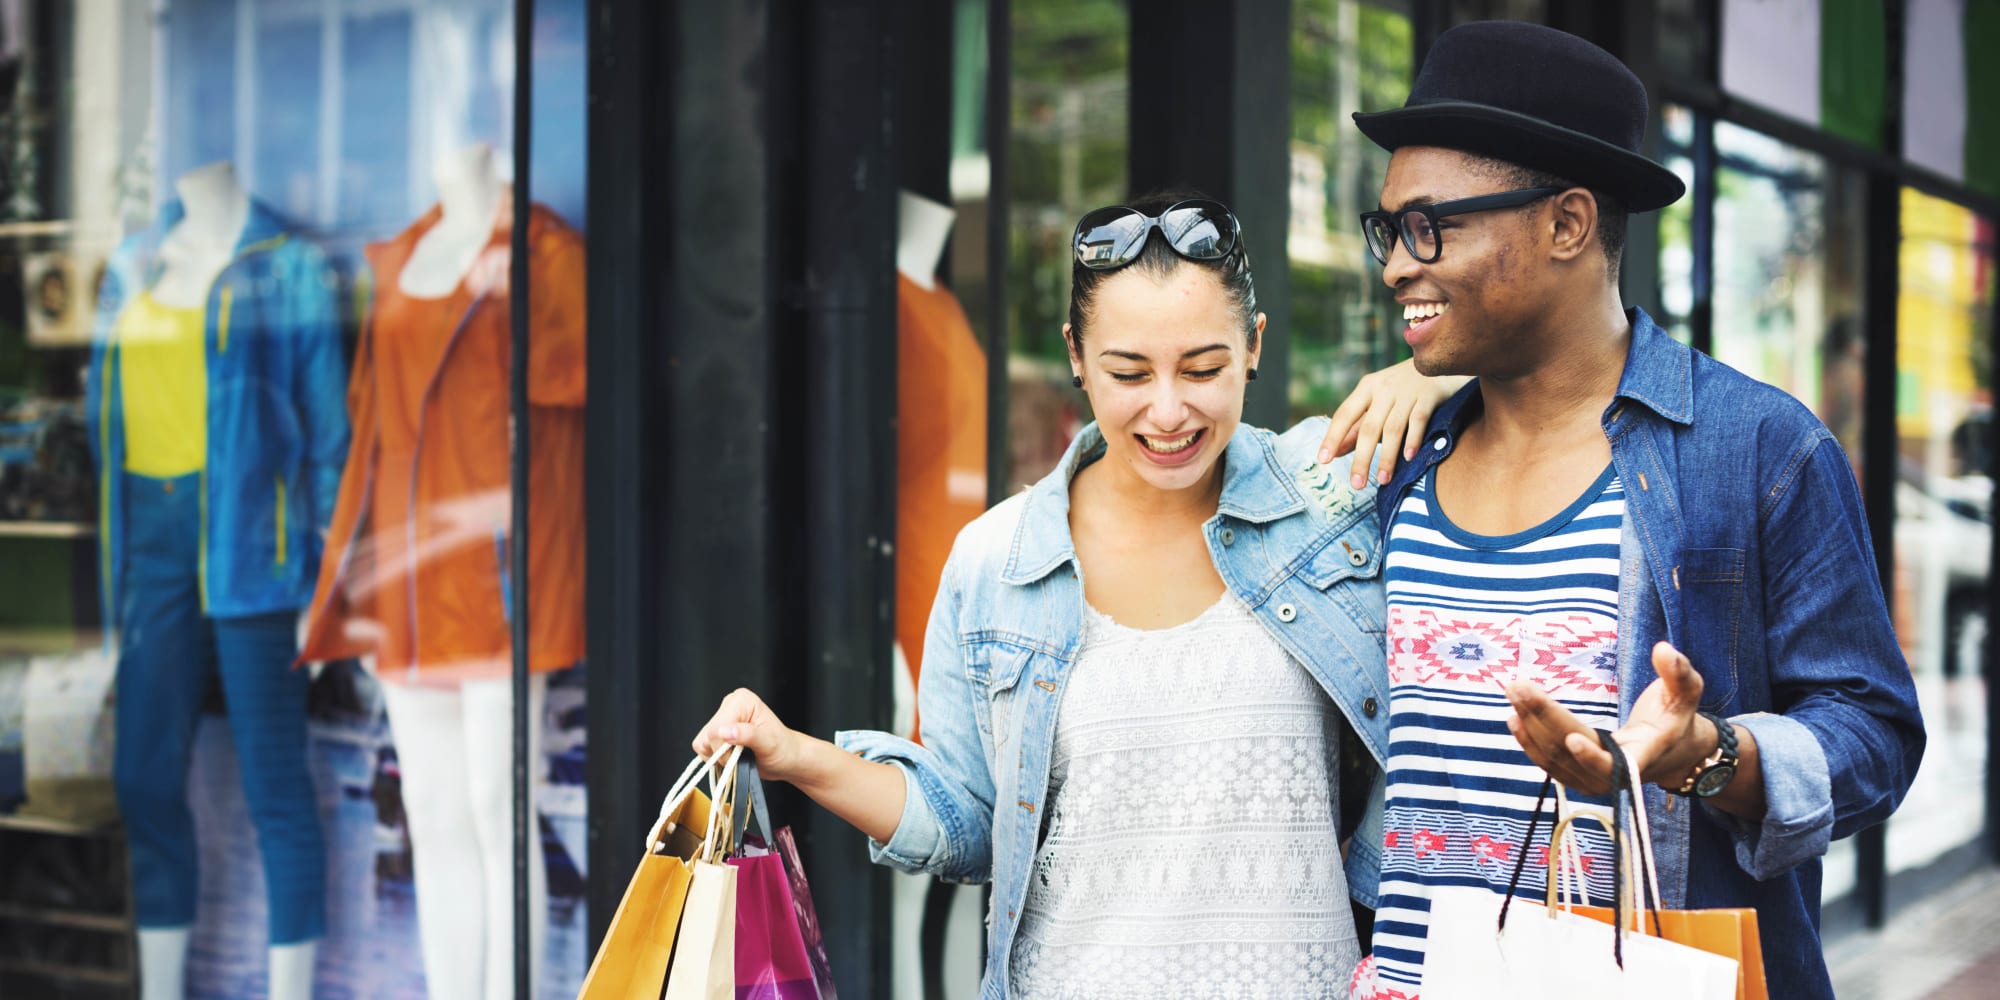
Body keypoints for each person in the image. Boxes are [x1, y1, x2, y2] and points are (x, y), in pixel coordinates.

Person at [694, 192, 1448, 997]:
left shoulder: (1331, 497)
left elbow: (1563, 372)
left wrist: (1440, 375)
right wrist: (797, 756)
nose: (1168, 410)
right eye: (1128, 372)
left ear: (1254, 347)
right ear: (1076, 358)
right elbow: (967, 823)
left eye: (1203, 368)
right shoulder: (998, 561)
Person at [1341, 21, 1925, 1000]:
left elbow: (1873, 737)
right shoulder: (1394, 460)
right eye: (1388, 227)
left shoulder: (1754, 450)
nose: (1396, 262)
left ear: (1567, 224)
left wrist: (1706, 756)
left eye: (1429, 225)